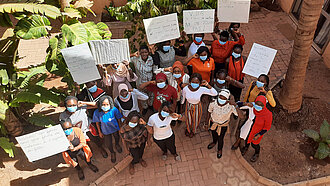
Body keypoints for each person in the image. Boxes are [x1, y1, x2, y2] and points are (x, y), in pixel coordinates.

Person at [207, 89, 244, 158]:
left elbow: (241, 116)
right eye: (220, 97)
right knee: (213, 133)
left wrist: (235, 105)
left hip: (223, 125)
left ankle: (219, 149)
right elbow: (209, 112)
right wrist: (207, 123)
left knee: (220, 138)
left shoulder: (230, 106)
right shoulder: (213, 103)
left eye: (224, 98)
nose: (221, 99)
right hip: (213, 123)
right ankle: (214, 142)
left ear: (227, 99)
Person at [181, 73, 217, 137]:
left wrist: (207, 84)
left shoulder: (201, 89)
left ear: (200, 83)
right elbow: (183, 98)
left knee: (196, 120)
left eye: (196, 82)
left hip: (197, 106)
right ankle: (188, 129)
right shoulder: (185, 89)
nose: (194, 84)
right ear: (190, 81)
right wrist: (182, 107)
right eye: (193, 82)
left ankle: (193, 131)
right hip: (188, 105)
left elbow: (215, 93)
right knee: (188, 119)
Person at [240, 96, 273, 162]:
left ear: (264, 105)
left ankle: (257, 153)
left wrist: (259, 135)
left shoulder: (268, 115)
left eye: (260, 105)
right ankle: (246, 147)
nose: (258, 106)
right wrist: (246, 104)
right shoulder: (252, 107)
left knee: (254, 144)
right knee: (246, 139)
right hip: (248, 128)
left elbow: (267, 127)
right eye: (257, 104)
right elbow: (238, 105)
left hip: (257, 132)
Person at [93, 96, 123, 163]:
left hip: (115, 128)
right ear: (100, 105)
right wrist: (99, 132)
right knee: (108, 143)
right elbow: (97, 123)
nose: (105, 106)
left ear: (110, 104)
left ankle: (117, 144)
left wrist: (120, 127)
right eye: (103, 105)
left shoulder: (114, 109)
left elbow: (118, 118)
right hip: (105, 131)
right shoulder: (97, 112)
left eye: (107, 104)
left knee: (117, 137)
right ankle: (112, 152)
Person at [130, 45, 157, 114]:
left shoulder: (151, 59)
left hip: (150, 81)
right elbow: (124, 58)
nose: (144, 54)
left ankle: (150, 106)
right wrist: (133, 54)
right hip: (140, 82)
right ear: (139, 53)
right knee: (142, 96)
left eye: (145, 52)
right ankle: (145, 108)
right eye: (142, 52)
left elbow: (155, 68)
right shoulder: (135, 59)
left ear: (148, 52)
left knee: (151, 95)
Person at [120, 111, 148, 175]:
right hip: (132, 145)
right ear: (129, 120)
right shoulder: (123, 129)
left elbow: (148, 130)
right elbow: (123, 140)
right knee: (134, 156)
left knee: (141, 152)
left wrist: (145, 123)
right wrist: (126, 149)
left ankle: (140, 159)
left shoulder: (140, 125)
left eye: (135, 122)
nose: (134, 123)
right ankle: (132, 164)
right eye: (132, 121)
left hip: (141, 142)